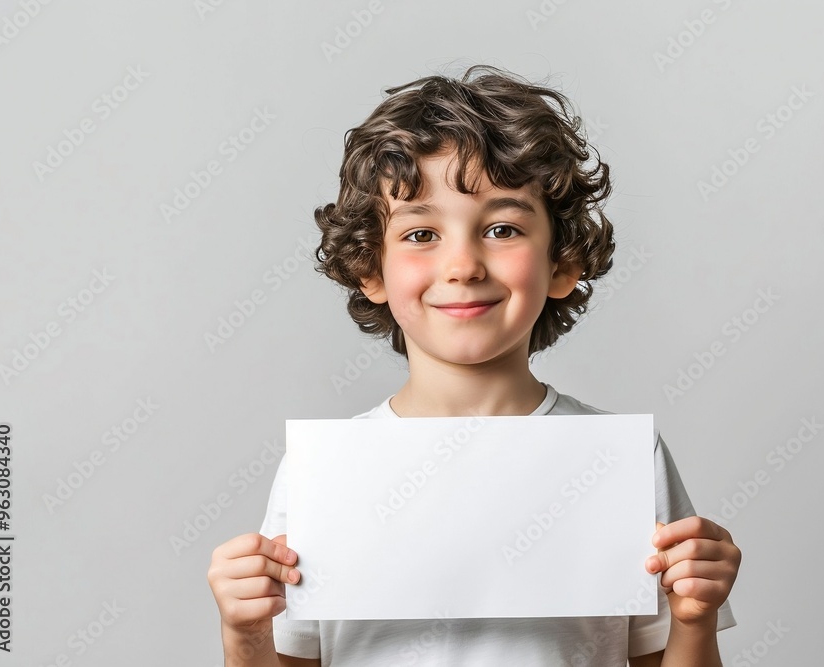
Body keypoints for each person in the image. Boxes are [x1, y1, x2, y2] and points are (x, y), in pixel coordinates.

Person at [208, 63, 741, 666]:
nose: (463, 265)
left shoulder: (621, 461)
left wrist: (693, 621)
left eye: (503, 227)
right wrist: (245, 634)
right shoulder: (324, 474)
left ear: (563, 263)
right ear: (370, 270)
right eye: (420, 234)